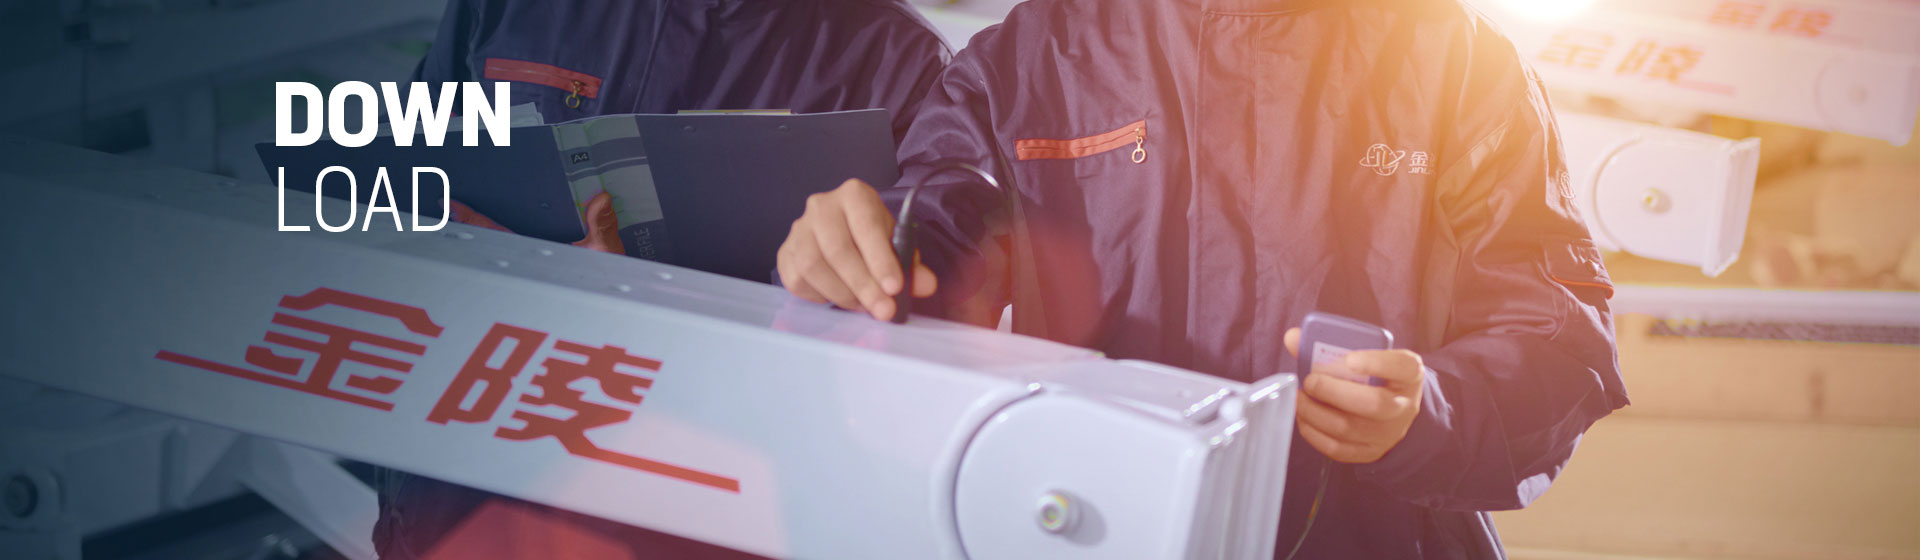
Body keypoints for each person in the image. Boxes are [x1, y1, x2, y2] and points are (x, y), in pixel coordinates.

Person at [776, 0, 1630, 557]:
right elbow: (938, 232)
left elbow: (1558, 331)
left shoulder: (1459, 63)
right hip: (1095, 529)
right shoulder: (1031, 59)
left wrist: (1430, 409)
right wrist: (867, 250)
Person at [377, 1, 949, 558]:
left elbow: (889, 361)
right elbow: (388, 189)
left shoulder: (892, 58)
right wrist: (471, 247)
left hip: (701, 503)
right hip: (461, 489)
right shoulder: (504, 8)